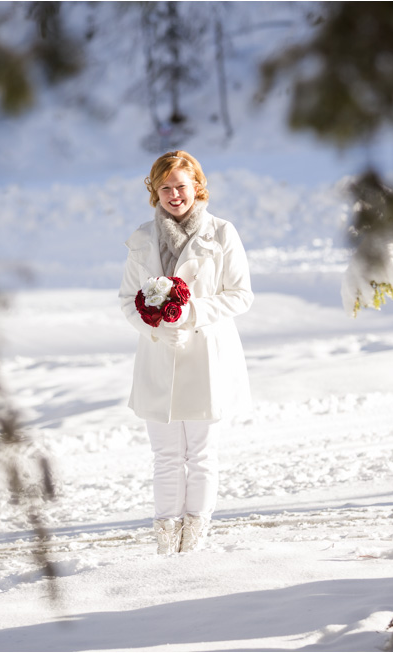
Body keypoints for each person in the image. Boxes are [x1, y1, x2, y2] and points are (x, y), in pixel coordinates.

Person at [119, 150, 253, 554]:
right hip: (158, 357)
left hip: (207, 358)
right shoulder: (142, 237)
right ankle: (165, 546)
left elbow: (241, 295)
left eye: (182, 186)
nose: (175, 195)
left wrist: (190, 311)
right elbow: (128, 299)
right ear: (154, 191)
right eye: (166, 188)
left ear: (197, 186)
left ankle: (192, 545)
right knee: (164, 455)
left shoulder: (222, 233)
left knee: (201, 455)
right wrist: (154, 323)